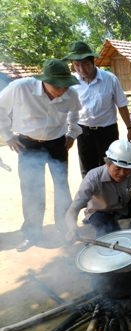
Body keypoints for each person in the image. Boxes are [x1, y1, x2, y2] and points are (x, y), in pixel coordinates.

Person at [0, 59, 82, 252]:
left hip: (57, 143)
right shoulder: (20, 87)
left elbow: (75, 114)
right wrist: (8, 136)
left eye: (65, 85)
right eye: (56, 85)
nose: (61, 90)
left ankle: (65, 228)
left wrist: (72, 133)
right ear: (44, 80)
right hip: (28, 144)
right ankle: (32, 234)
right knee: (31, 190)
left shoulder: (71, 94)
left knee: (62, 186)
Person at [65, 139, 131, 241]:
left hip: (122, 207)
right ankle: (114, 234)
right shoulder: (92, 178)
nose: (122, 173)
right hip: (100, 212)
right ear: (107, 164)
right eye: (117, 168)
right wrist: (72, 228)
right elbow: (73, 210)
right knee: (111, 236)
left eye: (126, 169)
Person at [63, 41, 131, 177]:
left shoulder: (110, 79)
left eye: (85, 64)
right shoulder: (72, 83)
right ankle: (92, 197)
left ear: (93, 61)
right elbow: (68, 109)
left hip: (107, 132)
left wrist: (130, 128)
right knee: (87, 169)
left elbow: (122, 105)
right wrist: (69, 132)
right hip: (83, 132)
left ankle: (109, 198)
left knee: (110, 168)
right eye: (77, 65)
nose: (81, 69)